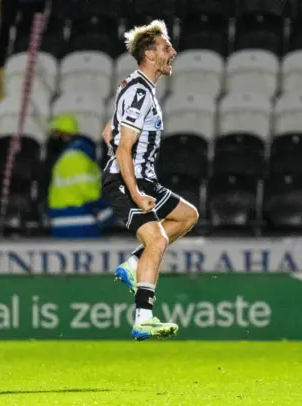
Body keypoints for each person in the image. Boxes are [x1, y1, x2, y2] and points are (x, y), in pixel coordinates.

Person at [101, 20, 199, 340]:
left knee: (187, 215)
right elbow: (123, 148)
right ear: (149, 55)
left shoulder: (137, 87)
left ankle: (134, 264)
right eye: (166, 47)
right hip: (128, 181)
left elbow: (108, 133)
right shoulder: (140, 93)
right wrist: (135, 192)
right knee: (157, 240)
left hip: (144, 178)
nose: (173, 52)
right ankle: (143, 317)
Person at [48, 133, 113, 238]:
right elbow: (90, 193)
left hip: (59, 218)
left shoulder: (66, 158)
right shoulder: (80, 160)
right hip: (79, 219)